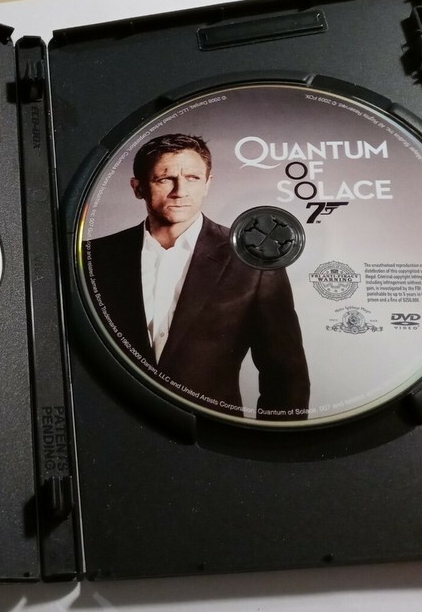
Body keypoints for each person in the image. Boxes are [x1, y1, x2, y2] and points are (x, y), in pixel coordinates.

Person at [84, 134, 310, 420]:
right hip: (110, 429)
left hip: (212, 437)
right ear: (138, 187)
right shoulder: (93, 257)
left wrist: (270, 445)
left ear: (207, 183)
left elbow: (286, 376)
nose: (180, 191)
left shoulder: (253, 261)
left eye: (192, 178)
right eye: (164, 179)